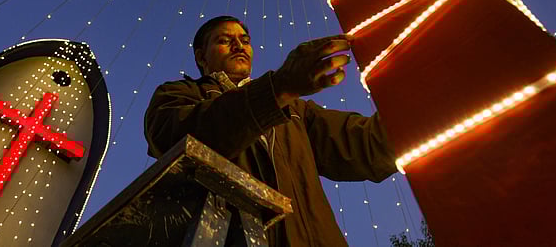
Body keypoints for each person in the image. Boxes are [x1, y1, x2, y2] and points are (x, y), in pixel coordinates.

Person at [144, 15, 397, 246]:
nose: (238, 46)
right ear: (201, 57)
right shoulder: (179, 94)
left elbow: (363, 145)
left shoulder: (296, 109)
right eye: (224, 40)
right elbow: (172, 137)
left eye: (245, 40)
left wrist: (410, 102)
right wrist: (277, 89)